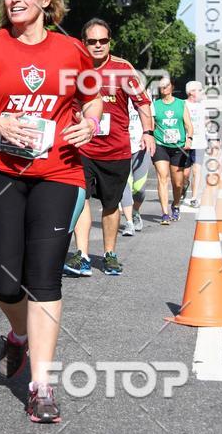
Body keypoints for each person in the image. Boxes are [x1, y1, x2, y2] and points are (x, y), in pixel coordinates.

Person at [0, 0, 102, 424]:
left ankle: (42, 386)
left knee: (44, 277)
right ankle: (18, 334)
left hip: (58, 172)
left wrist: (90, 122)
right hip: (0, 171)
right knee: (5, 282)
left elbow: (93, 97)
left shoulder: (71, 49)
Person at [63, 19, 154, 277]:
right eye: (92, 41)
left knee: (111, 205)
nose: (98, 45)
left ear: (109, 42)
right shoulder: (72, 68)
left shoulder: (123, 69)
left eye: (103, 41)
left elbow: (142, 102)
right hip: (81, 148)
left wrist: (148, 132)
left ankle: (109, 254)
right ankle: (82, 255)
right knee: (81, 200)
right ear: (84, 42)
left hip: (115, 150)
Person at [152, 75, 193, 224]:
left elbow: (189, 125)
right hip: (160, 145)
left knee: (178, 184)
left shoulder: (181, 104)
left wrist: (189, 138)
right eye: (161, 86)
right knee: (162, 178)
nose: (164, 88)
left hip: (178, 146)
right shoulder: (154, 105)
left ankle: (175, 205)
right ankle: (164, 214)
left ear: (172, 87)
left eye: (166, 85)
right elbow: (151, 125)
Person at [119, 97, 151, 235]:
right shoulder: (116, 95)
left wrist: (148, 135)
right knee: (125, 185)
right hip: (122, 147)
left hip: (140, 146)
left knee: (140, 189)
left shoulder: (142, 96)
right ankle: (129, 223)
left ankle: (135, 211)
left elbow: (151, 119)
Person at [183, 80, 207, 207]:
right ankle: (184, 186)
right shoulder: (183, 104)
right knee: (185, 174)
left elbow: (207, 121)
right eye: (199, 90)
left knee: (197, 171)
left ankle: (194, 197)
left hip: (200, 143)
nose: (201, 92)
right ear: (191, 92)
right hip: (186, 143)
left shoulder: (203, 105)